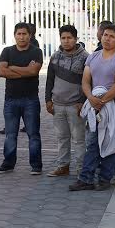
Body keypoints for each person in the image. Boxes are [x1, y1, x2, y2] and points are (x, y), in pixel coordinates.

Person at [70, 24, 115, 191]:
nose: (107, 39)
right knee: (92, 141)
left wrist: (101, 102)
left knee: (112, 139)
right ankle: (86, 179)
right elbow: (85, 81)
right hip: (94, 102)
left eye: (112, 36)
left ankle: (105, 178)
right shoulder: (93, 57)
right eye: (105, 35)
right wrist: (91, 98)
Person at [0, 23, 44, 174]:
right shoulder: (7, 51)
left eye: (24, 34)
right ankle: (8, 163)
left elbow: (34, 71)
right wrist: (25, 71)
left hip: (31, 100)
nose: (21, 37)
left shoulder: (36, 52)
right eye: (19, 34)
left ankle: (36, 165)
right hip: (11, 100)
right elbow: (1, 72)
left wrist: (13, 67)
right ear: (14, 35)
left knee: (33, 134)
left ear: (30, 35)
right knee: (10, 134)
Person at [45, 24, 88, 177]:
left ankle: (82, 169)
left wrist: (82, 101)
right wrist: (48, 100)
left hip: (75, 106)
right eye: (63, 38)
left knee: (79, 140)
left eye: (69, 38)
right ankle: (63, 166)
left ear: (76, 39)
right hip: (57, 105)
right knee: (62, 138)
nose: (66, 41)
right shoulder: (55, 57)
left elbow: (88, 81)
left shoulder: (85, 58)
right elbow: (50, 80)